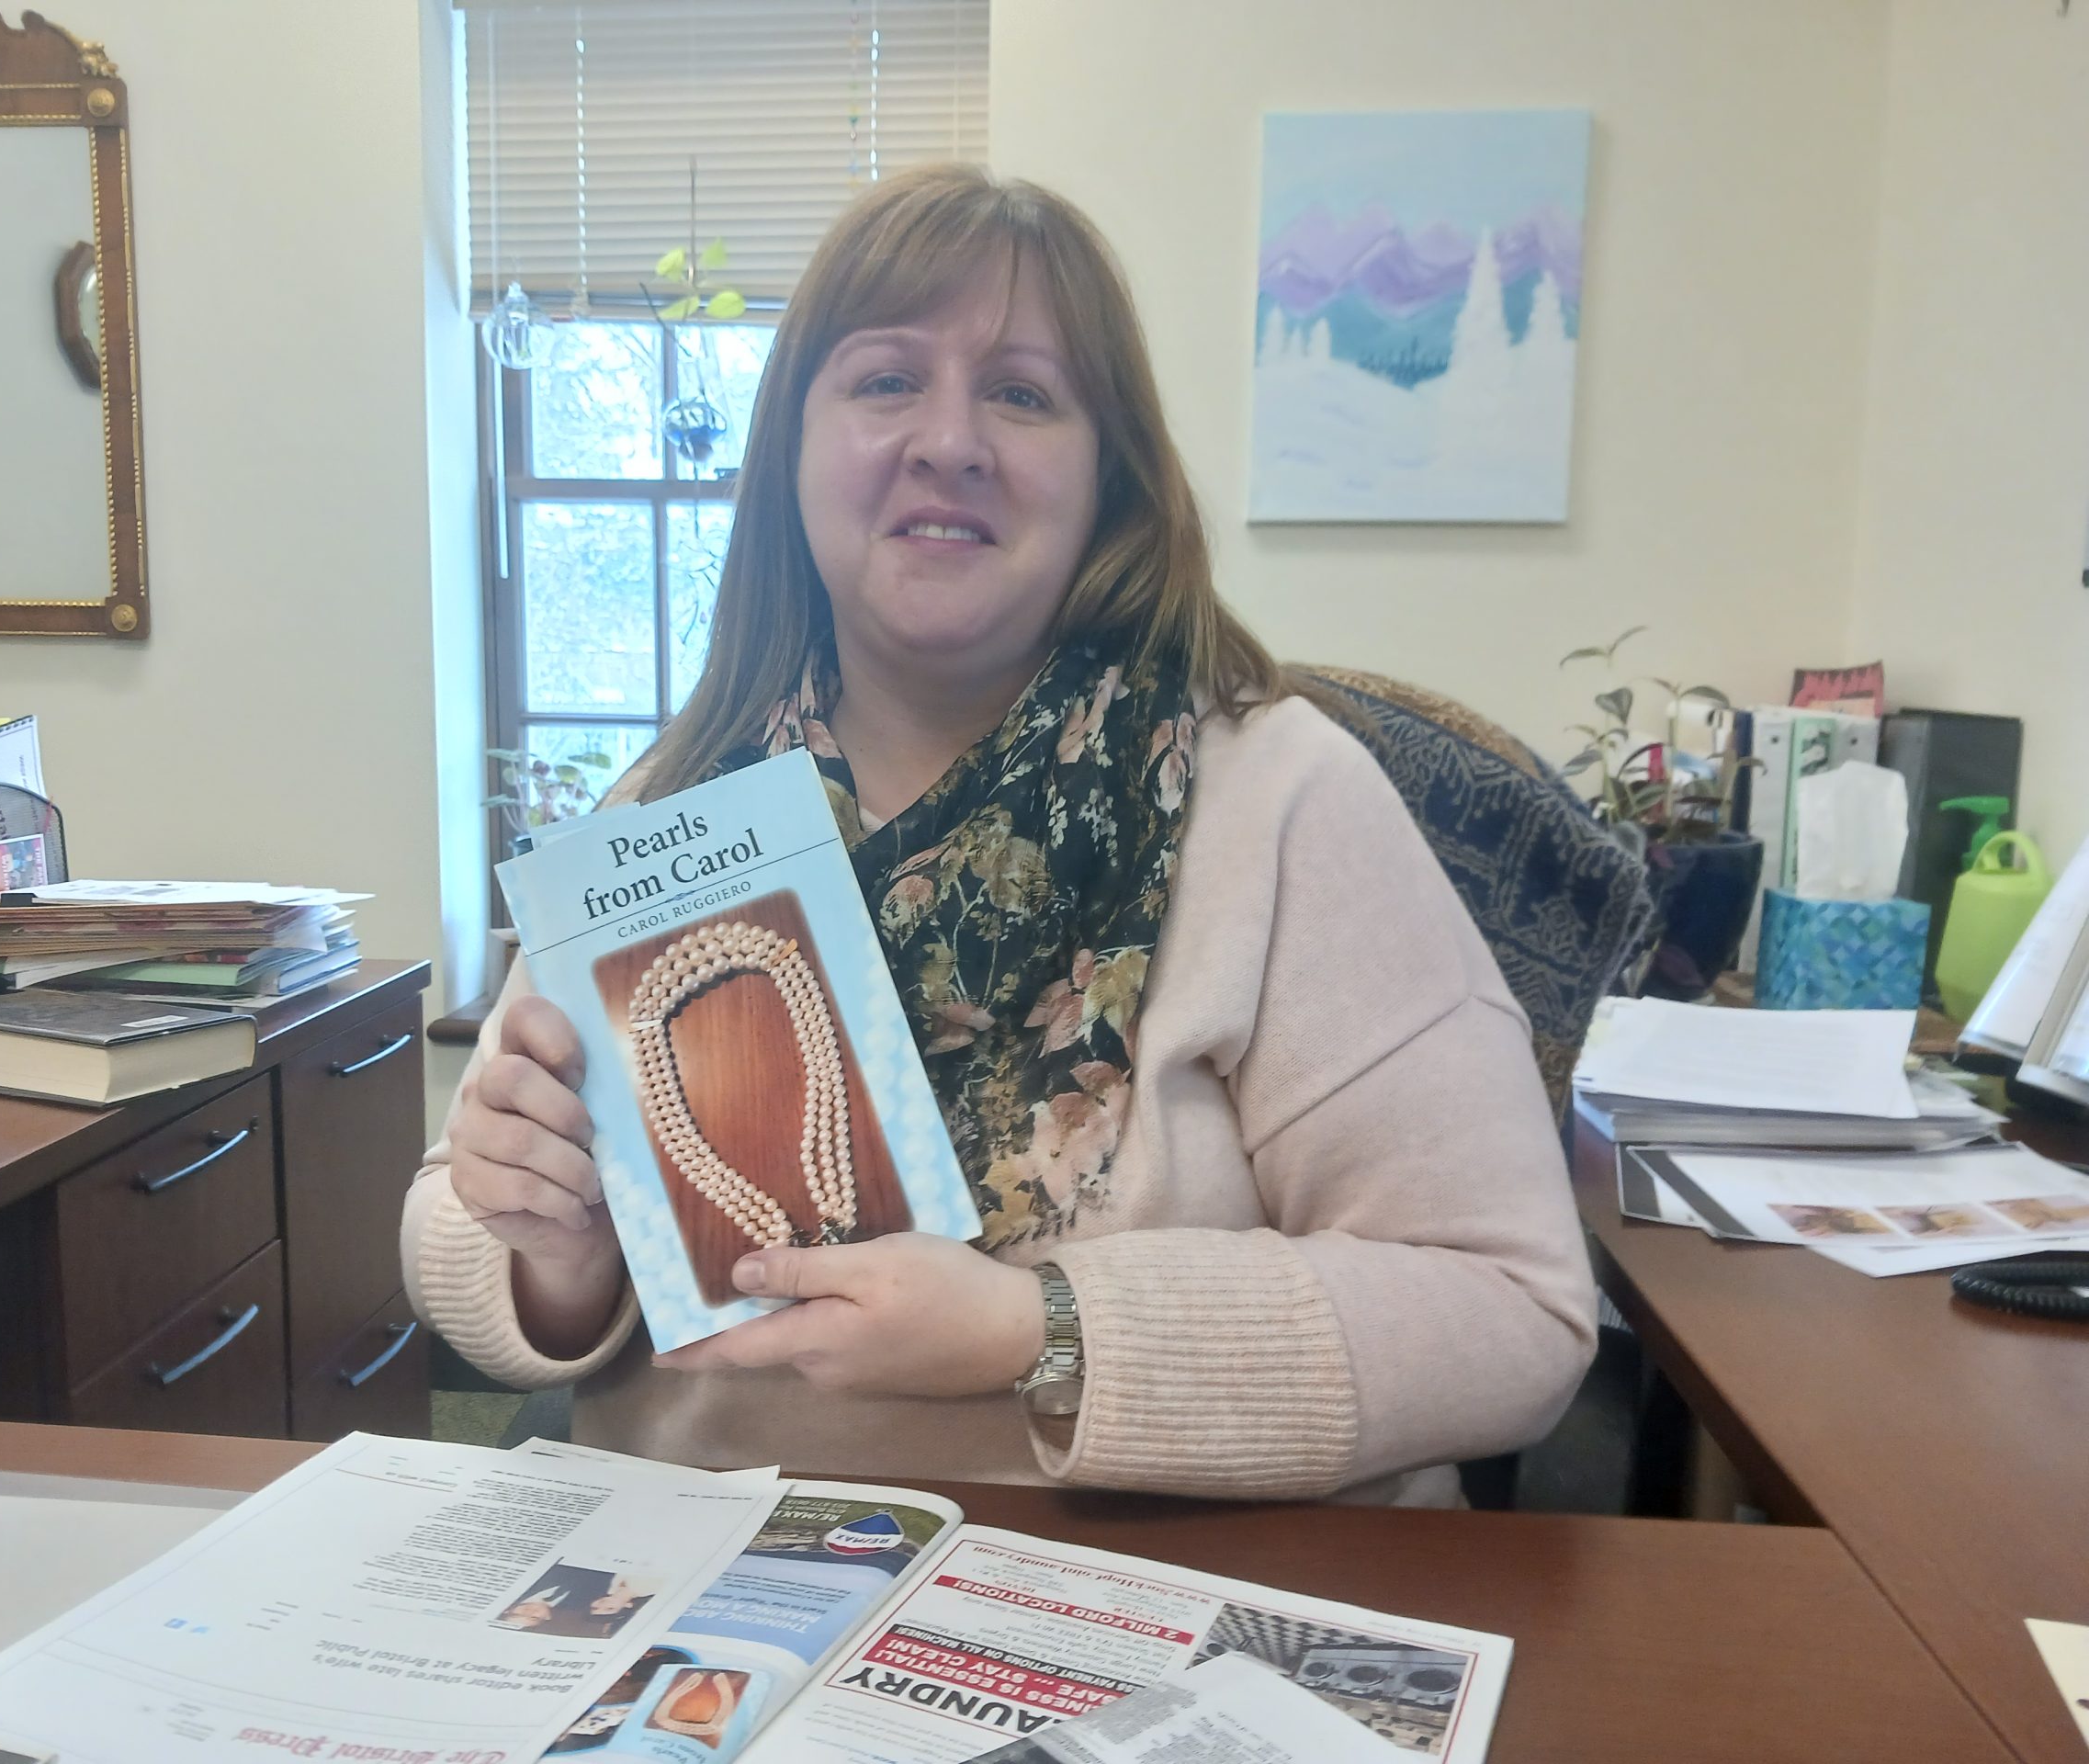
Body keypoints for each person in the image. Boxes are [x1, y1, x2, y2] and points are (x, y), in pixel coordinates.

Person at [403, 165, 1596, 1504]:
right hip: (711, 1570)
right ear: (792, 452)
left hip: (1134, 1582)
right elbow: (455, 1218)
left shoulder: (1284, 800)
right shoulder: (668, 810)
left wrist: (1041, 1334)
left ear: (1111, 477)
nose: (949, 440)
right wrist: (552, 1255)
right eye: (885, 380)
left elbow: (1513, 1313)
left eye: (1023, 395)